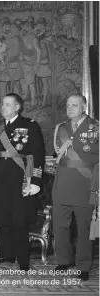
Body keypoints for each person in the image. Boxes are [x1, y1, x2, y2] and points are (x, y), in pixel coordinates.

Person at [0, 93, 45, 271]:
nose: (3, 107)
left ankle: (23, 259)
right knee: (1, 218)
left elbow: (37, 154)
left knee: (19, 220)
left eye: (7, 104)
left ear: (17, 107)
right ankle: (5, 254)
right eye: (2, 104)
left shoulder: (30, 126)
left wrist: (34, 181)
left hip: (19, 179)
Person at [52, 94, 98, 281]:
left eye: (75, 105)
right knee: (60, 225)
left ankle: (83, 265)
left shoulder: (96, 127)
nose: (70, 109)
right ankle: (64, 260)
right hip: (62, 183)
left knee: (84, 228)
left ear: (84, 107)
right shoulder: (60, 128)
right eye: (68, 105)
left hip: (85, 184)